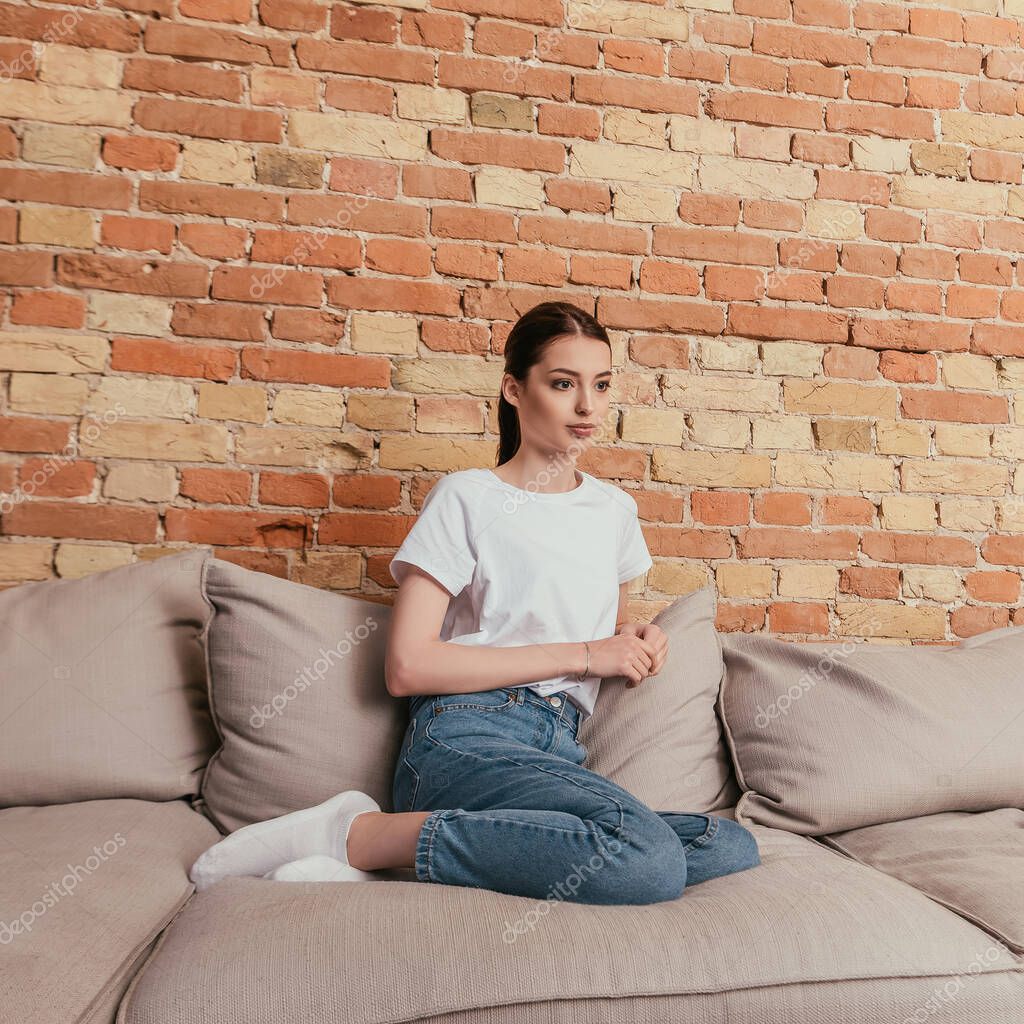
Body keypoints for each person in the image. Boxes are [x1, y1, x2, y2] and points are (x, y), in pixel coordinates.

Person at [189, 301, 761, 903]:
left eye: (601, 384)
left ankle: (404, 853)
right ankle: (355, 835)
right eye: (563, 384)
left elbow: (603, 626)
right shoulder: (467, 498)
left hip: (561, 746)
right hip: (467, 734)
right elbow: (408, 667)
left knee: (730, 845)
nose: (588, 406)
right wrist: (589, 653)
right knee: (647, 862)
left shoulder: (614, 512)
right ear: (515, 390)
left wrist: (639, 637)